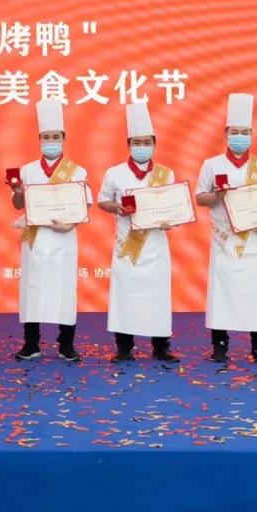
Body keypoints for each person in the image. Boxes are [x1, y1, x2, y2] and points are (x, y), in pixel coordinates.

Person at [195, 93, 257, 364]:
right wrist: (217, 196)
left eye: (245, 132)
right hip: (225, 240)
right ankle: (220, 346)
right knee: (222, 294)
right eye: (235, 132)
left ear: (252, 135)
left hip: (255, 241)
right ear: (226, 134)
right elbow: (200, 198)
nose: (239, 137)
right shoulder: (212, 165)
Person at [9, 99, 91, 362]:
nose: (51, 141)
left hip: (63, 238)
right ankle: (31, 343)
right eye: (46, 137)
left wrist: (70, 225)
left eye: (56, 137)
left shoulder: (77, 171)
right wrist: (18, 192)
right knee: (32, 289)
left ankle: (66, 344)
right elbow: (18, 204)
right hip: (35, 238)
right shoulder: (28, 170)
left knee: (64, 290)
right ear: (40, 140)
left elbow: (84, 204)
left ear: (64, 139)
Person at [97, 102, 179, 363]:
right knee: (125, 296)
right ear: (129, 144)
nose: (142, 146)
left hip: (155, 245)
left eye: (146, 142)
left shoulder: (166, 174)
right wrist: (117, 207)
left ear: (154, 144)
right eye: (137, 142)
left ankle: (161, 347)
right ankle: (124, 348)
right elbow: (102, 201)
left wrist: (170, 220)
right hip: (127, 246)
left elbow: (174, 207)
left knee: (158, 297)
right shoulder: (115, 173)